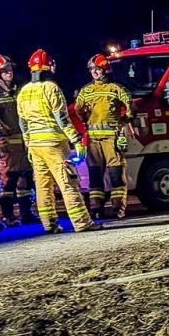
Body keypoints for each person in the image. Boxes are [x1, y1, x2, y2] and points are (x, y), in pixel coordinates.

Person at [16, 49, 96, 234]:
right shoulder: (51, 88)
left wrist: (28, 143)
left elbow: (23, 122)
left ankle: (49, 224)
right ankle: (82, 223)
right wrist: (76, 140)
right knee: (68, 182)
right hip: (54, 144)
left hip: (35, 146)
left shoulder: (23, 92)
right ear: (48, 67)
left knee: (43, 186)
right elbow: (62, 119)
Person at [74, 53, 135, 220]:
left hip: (111, 139)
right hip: (93, 141)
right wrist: (86, 121)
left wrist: (125, 120)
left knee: (116, 174)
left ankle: (118, 208)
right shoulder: (86, 91)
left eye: (97, 69)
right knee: (95, 177)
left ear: (105, 70)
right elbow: (77, 110)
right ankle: (96, 208)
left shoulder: (116, 89)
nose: (94, 72)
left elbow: (130, 105)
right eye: (92, 69)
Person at [0, 54, 35, 226]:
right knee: (9, 181)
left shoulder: (20, 88)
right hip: (8, 143)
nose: (9, 73)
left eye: (10, 69)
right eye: (4, 70)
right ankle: (8, 215)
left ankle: (27, 213)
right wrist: (5, 131)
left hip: (23, 141)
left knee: (26, 179)